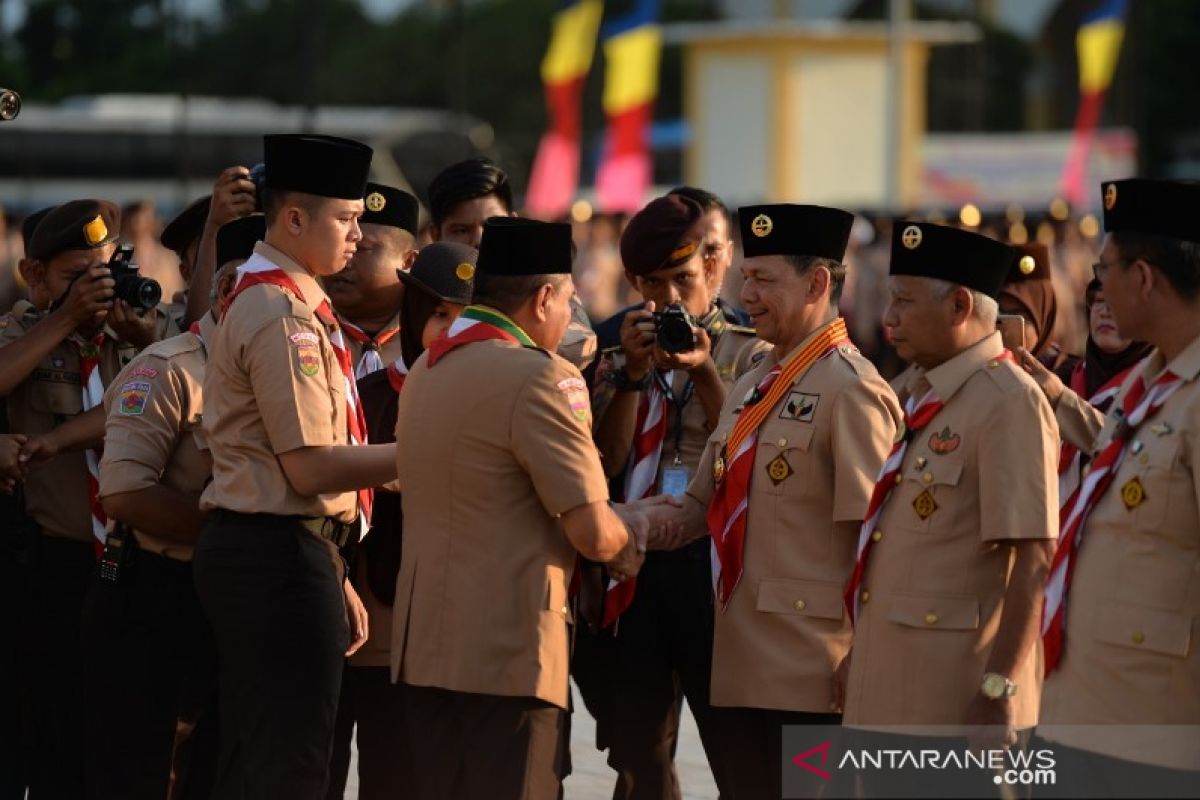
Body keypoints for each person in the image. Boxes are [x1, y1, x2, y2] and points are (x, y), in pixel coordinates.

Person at [391, 216, 673, 800]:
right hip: (509, 656)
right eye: (569, 300)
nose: (571, 316)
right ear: (543, 297)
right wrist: (635, 537)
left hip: (425, 655)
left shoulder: (425, 369)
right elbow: (594, 534)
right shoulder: (544, 379)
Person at [647, 203, 901, 799]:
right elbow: (699, 507)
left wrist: (862, 659)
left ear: (817, 284)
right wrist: (612, 525)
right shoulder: (757, 376)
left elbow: (879, 541)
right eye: (747, 276)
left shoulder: (853, 390)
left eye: (765, 279)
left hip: (813, 677)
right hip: (739, 666)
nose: (746, 292)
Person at [194, 134, 397, 799]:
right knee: (291, 766)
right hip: (274, 559)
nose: (359, 236)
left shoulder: (289, 300)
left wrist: (330, 565)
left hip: (283, 550)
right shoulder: (281, 313)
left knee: (272, 756)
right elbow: (307, 468)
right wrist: (425, 455)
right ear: (293, 219)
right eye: (345, 219)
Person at [834, 221, 1058, 794]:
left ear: (959, 305)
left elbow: (1032, 556)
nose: (889, 319)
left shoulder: (1008, 402)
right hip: (893, 696)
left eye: (904, 303)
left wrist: (998, 689)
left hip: (957, 709)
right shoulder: (922, 391)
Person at [576, 193, 764, 800]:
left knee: (736, 749)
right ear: (634, 280)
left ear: (711, 269)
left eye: (682, 279)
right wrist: (631, 374)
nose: (672, 299)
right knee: (638, 755)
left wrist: (707, 373)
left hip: (712, 566)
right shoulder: (611, 348)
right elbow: (605, 461)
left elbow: (746, 455)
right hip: (635, 565)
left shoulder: (750, 349)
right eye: (654, 283)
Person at [83, 214, 263, 800]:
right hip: (159, 592)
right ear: (231, 289)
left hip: (232, 597)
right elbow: (126, 493)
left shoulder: (273, 371)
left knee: (219, 769)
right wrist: (231, 532)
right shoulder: (169, 368)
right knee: (146, 771)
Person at [0, 199, 174, 796]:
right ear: (35, 276)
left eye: (106, 270)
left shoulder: (135, 333)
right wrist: (63, 318)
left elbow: (154, 412)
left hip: (129, 566)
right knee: (47, 745)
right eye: (79, 276)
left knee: (117, 748)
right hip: (51, 567)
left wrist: (143, 341)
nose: (96, 289)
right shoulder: (22, 330)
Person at [1032, 179, 1200, 796]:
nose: (1096, 290)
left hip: (1157, 739)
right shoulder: (1148, 389)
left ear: (1146, 279)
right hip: (1083, 718)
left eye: (1106, 270)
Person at [326, 240, 476, 800]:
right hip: (369, 613)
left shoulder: (493, 392)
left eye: (467, 317)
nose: (453, 332)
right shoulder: (364, 393)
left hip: (452, 623)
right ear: (412, 313)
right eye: (440, 315)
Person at [428, 157, 597, 371]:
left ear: (514, 222)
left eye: (492, 226)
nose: (480, 241)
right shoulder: (421, 300)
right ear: (435, 235)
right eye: (462, 230)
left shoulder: (551, 300)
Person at [1018, 277, 1153, 505]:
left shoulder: (1153, 388)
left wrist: (1062, 401)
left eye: (1117, 303)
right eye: (1098, 301)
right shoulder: (1062, 374)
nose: (1105, 312)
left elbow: (1134, 449)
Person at [324, 182, 419, 377]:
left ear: (408, 261)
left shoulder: (427, 336)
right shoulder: (304, 326)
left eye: (361, 249)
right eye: (337, 245)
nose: (345, 259)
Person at [667, 186, 743, 321]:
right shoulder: (624, 332)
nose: (701, 263)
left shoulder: (756, 335)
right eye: (687, 249)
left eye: (712, 249)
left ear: (729, 253)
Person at [998, 242, 1070, 369]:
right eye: (1000, 315)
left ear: (1043, 319)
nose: (1007, 328)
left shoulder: (1071, 377)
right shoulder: (983, 375)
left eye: (1019, 317)